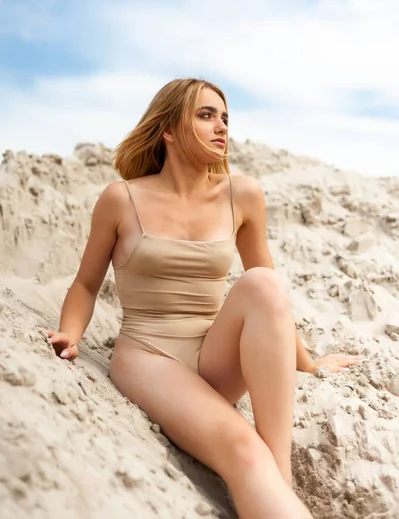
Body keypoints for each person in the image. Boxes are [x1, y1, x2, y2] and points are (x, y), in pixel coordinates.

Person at [47, 78, 363, 519]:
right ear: (169, 130)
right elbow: (85, 284)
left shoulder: (244, 194)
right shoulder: (121, 199)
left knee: (263, 283)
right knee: (242, 450)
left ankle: (281, 478)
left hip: (213, 354)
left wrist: (307, 363)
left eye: (225, 117)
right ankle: (272, 485)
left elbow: (268, 298)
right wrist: (71, 333)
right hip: (150, 355)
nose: (221, 127)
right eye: (206, 115)